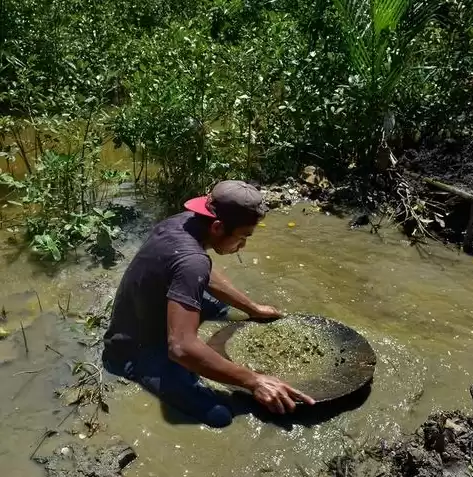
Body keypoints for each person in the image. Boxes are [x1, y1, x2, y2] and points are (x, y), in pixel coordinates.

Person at [102, 180, 315, 428]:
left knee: (223, 310)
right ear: (217, 227)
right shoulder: (193, 262)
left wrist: (252, 308)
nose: (243, 246)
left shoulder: (183, 222)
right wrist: (254, 381)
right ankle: (137, 368)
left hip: (144, 313)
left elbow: (203, 272)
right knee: (220, 416)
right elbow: (180, 348)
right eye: (243, 237)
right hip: (133, 350)